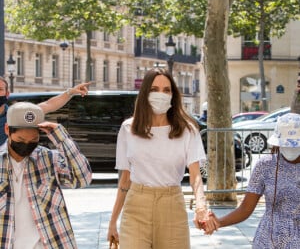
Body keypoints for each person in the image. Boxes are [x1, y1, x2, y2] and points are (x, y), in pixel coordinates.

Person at [107, 68, 213, 249]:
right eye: (154, 89)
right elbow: (125, 180)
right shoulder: (128, 129)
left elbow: (195, 175)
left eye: (166, 90)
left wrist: (201, 206)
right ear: (145, 93)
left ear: (173, 95)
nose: (160, 95)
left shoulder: (187, 130)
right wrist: (112, 221)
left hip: (172, 205)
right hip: (136, 207)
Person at [0, 101, 92, 248]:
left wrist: (61, 138)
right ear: (7, 130)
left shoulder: (49, 159)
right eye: (21, 140)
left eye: (33, 140)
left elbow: (82, 179)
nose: (26, 145)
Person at [206, 112, 300, 248]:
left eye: (294, 145)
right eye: (286, 144)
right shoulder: (265, 165)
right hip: (268, 240)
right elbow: (246, 208)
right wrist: (218, 223)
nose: (290, 149)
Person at [0, 76, 90, 151]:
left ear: (7, 94)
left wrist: (70, 92)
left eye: (0, 89)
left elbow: (49, 105)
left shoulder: (17, 114)